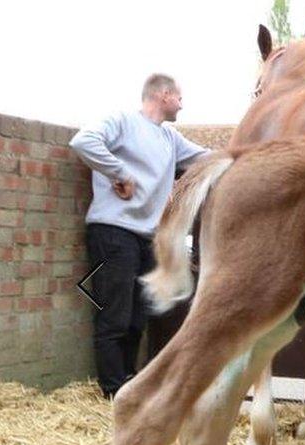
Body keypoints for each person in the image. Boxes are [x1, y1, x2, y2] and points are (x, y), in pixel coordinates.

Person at [70, 73, 208, 398]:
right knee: (114, 315)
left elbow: (207, 157)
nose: (182, 104)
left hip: (148, 238)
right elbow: (82, 142)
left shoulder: (170, 139)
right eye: (179, 97)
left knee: (137, 318)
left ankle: (129, 382)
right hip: (113, 231)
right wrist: (119, 173)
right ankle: (112, 390)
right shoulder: (122, 121)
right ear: (162, 94)